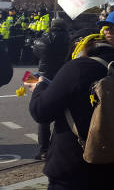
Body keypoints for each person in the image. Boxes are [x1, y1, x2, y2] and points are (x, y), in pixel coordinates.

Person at [25, 10, 114, 190]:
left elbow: (41, 111)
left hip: (74, 167)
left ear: (81, 46)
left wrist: (40, 87)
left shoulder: (77, 68)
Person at [30, 18, 71, 160]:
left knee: (44, 115)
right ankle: (56, 147)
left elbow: (35, 51)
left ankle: (43, 150)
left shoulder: (45, 38)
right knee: (63, 113)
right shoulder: (70, 39)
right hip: (63, 74)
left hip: (45, 75)